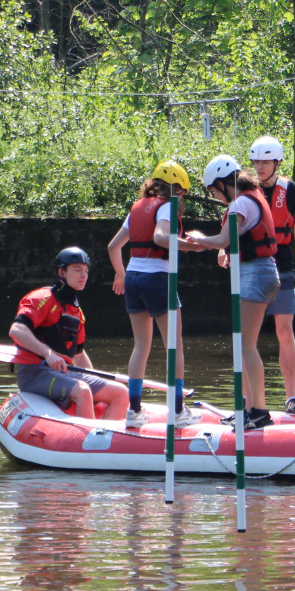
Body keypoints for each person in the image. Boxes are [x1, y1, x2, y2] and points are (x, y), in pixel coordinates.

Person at [184, 154, 280, 430]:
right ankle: (249, 409)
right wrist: (217, 247)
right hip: (258, 273)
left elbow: (224, 239)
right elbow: (230, 242)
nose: (214, 194)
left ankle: (259, 411)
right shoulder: (249, 199)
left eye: (214, 189)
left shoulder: (241, 203)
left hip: (256, 275)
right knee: (243, 344)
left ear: (225, 183)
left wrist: (201, 239)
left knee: (246, 345)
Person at [107, 161, 203, 430]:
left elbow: (113, 247)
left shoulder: (137, 209)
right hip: (157, 279)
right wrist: (189, 247)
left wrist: (120, 274)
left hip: (134, 278)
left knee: (141, 347)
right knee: (175, 346)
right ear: (177, 190)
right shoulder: (168, 205)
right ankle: (178, 411)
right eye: (182, 193)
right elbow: (161, 238)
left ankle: (134, 411)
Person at [9, 246, 131, 422]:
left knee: (121, 392)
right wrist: (47, 353)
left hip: (66, 373)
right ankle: (89, 441)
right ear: (62, 272)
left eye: (86, 271)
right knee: (82, 390)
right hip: (35, 372)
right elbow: (16, 330)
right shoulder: (42, 298)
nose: (83, 275)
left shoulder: (77, 312)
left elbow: (79, 355)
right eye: (77, 270)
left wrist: (94, 378)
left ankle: (109, 441)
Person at [248, 134, 295, 415]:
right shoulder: (246, 190)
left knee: (284, 330)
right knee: (246, 336)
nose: (260, 166)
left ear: (276, 162)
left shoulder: (292, 190)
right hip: (251, 266)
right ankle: (248, 402)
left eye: (265, 161)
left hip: (283, 265)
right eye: (256, 161)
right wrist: (225, 251)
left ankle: (291, 397)